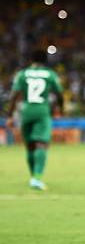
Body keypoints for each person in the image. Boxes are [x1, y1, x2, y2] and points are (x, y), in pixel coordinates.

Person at [6, 50, 63, 190]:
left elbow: (14, 95)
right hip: (42, 110)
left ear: (31, 59)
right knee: (41, 144)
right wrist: (59, 109)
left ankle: (33, 176)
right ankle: (37, 178)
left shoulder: (22, 74)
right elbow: (59, 94)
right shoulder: (50, 74)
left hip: (25, 111)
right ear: (45, 60)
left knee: (30, 145)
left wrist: (10, 115)